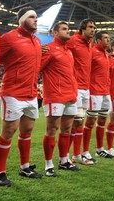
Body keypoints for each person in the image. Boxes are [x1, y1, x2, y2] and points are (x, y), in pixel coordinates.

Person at [0, 6, 43, 186]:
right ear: (22, 20)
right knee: (8, 132)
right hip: (13, 92)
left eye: (36, 17)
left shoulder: (37, 41)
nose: (35, 20)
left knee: (27, 131)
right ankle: (0, 172)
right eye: (32, 17)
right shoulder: (9, 38)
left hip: (31, 93)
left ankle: (25, 167)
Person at [41, 22, 79, 175]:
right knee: (52, 129)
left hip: (70, 95)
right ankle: (48, 165)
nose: (68, 31)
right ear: (55, 32)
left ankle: (64, 160)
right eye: (64, 29)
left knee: (67, 130)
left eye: (68, 29)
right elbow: (37, 67)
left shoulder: (68, 51)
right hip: (55, 95)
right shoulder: (48, 49)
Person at [67, 18, 96, 165]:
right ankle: (66, 156)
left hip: (86, 87)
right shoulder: (72, 41)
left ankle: (77, 155)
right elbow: (58, 46)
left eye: (94, 27)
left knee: (80, 121)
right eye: (90, 27)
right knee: (76, 122)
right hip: (76, 87)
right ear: (82, 29)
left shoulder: (89, 44)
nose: (93, 29)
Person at [85, 31, 114, 159]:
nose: (108, 40)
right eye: (105, 38)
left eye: (109, 37)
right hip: (94, 90)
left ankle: (99, 149)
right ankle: (85, 151)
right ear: (98, 40)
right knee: (90, 121)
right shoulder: (91, 51)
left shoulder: (106, 54)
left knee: (102, 120)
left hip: (105, 91)